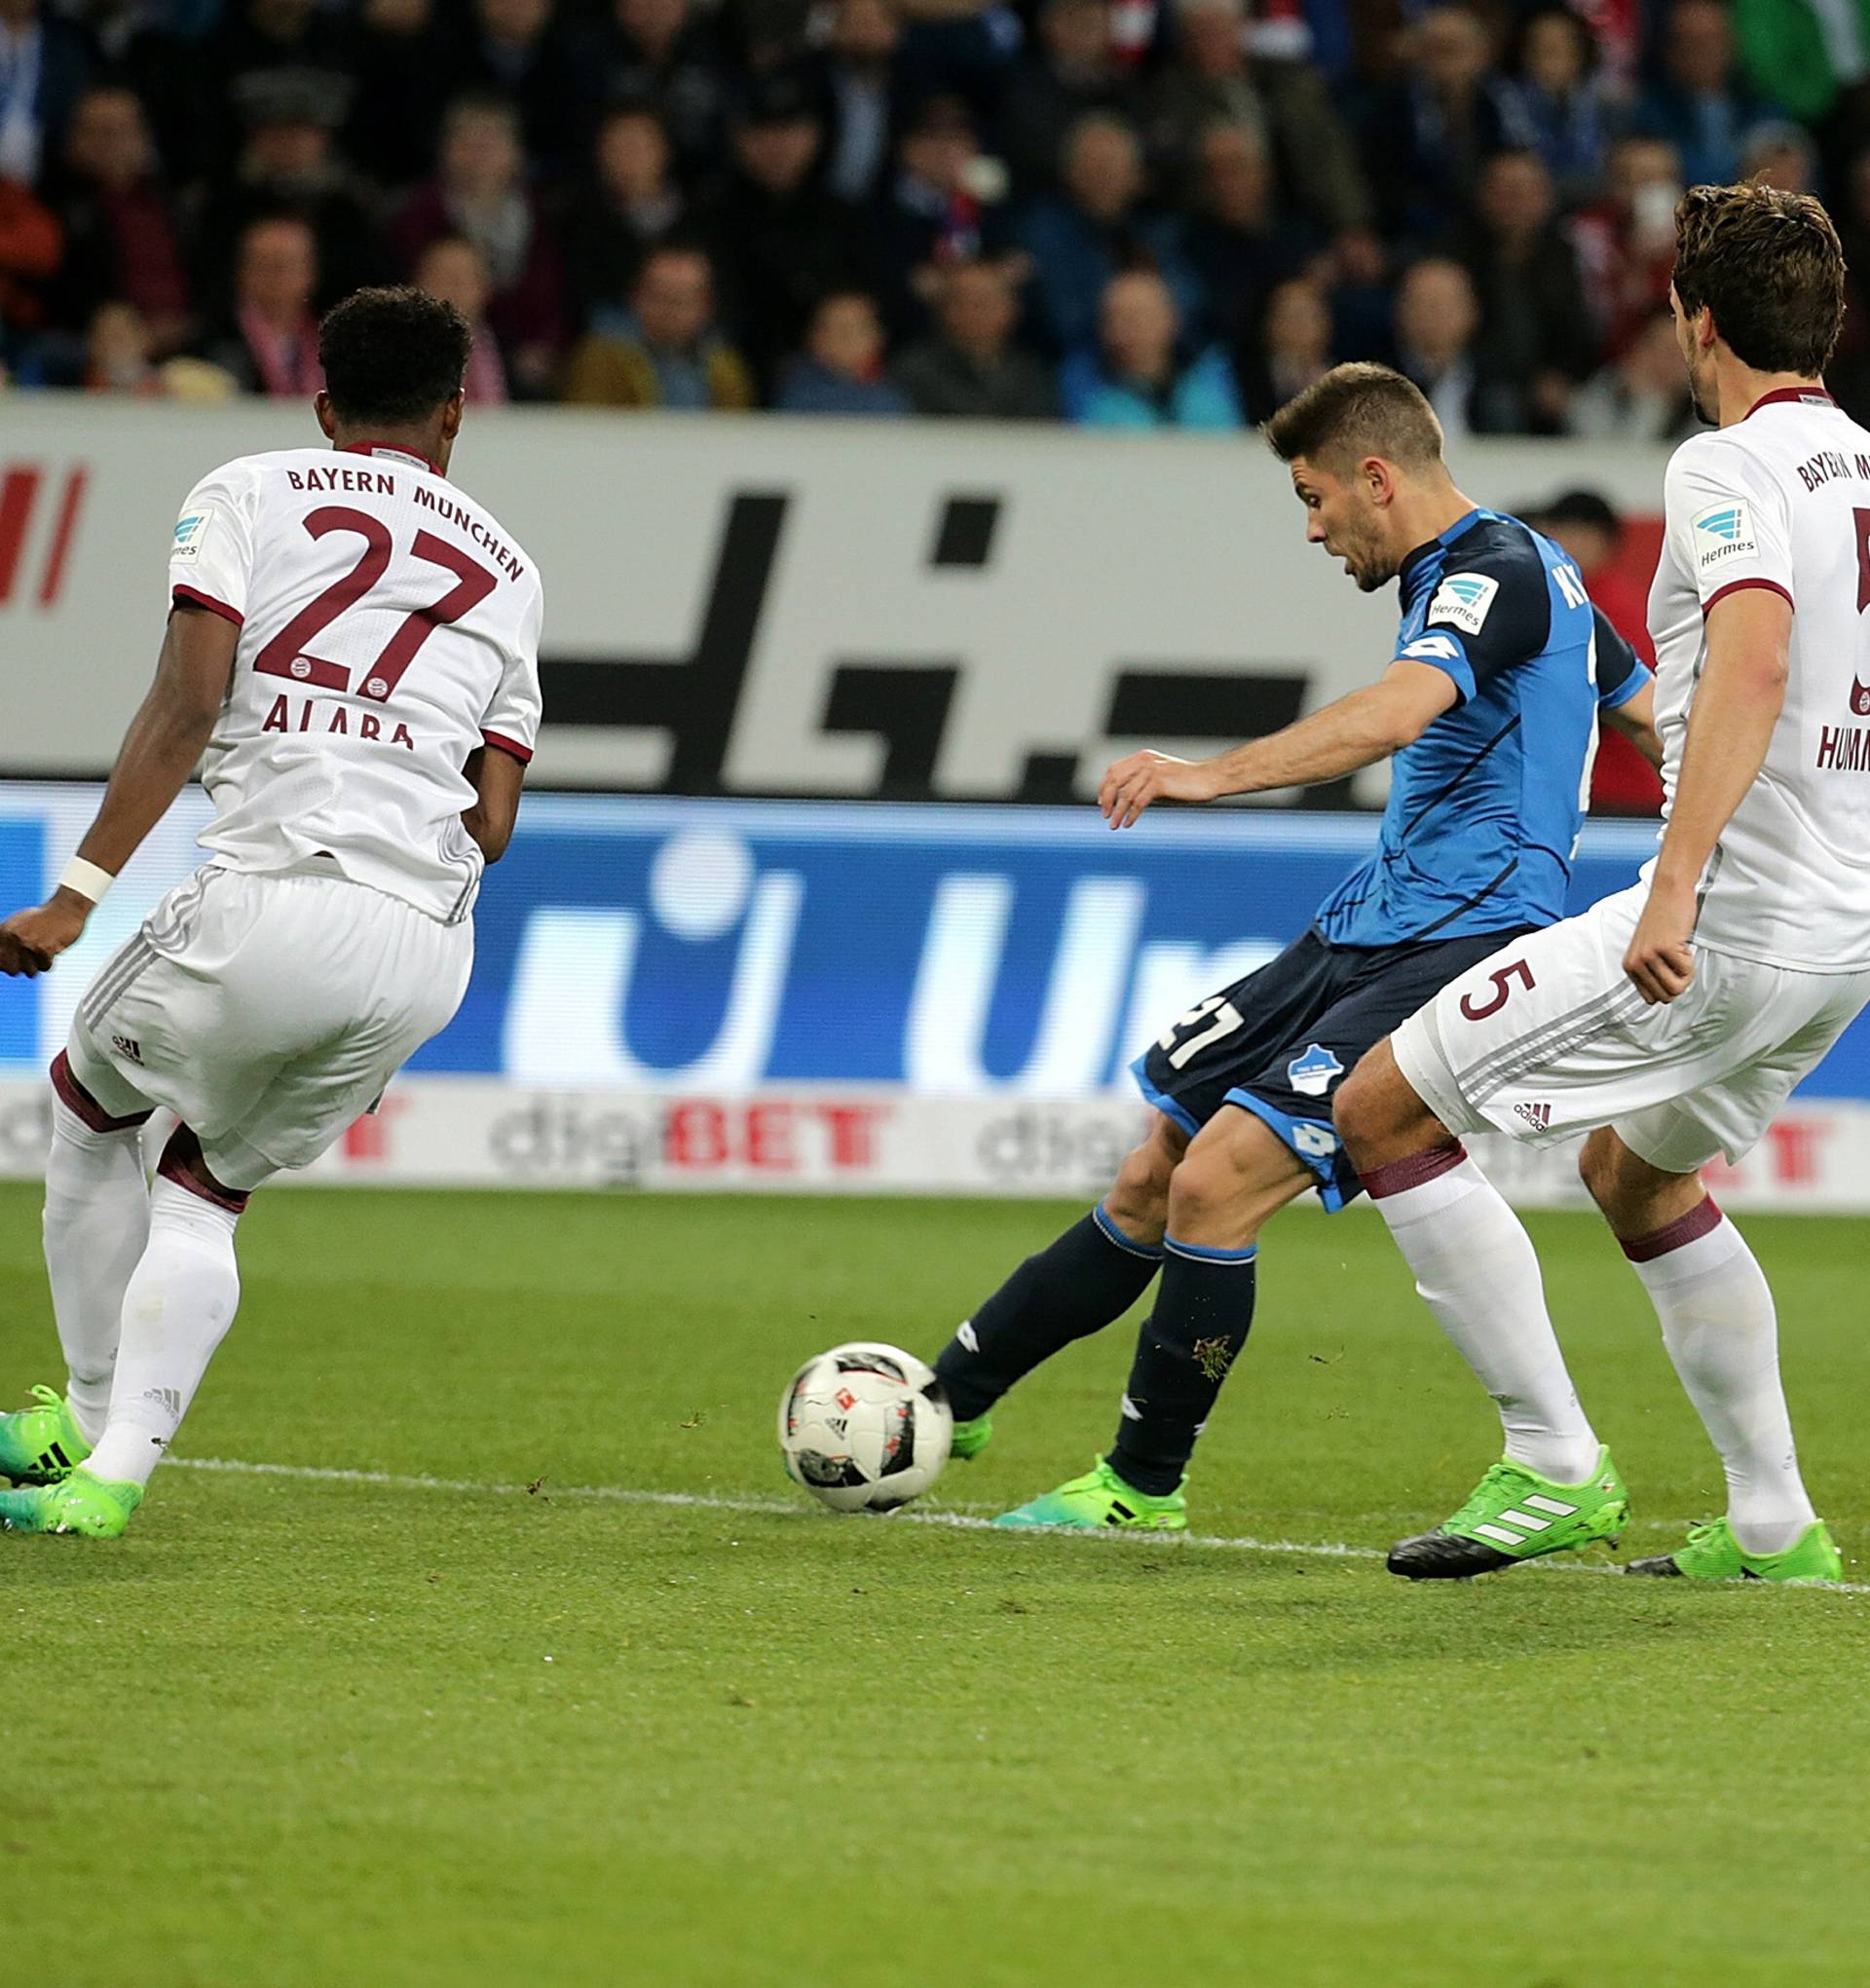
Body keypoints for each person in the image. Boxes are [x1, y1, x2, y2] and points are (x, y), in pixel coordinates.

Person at [929, 361, 1658, 1531]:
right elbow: (1642, 707)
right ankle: (950, 1396)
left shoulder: (1494, 570)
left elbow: (1396, 711)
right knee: (1158, 1167)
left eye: (1316, 498)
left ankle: (1139, 1489)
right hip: (1369, 920)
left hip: (1459, 939)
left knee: (1219, 1182)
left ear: (1378, 476)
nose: (1313, 529)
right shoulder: (1528, 576)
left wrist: (1202, 773)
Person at [1335, 184, 1870, 1588]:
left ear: (1699, 326)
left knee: (1377, 1107)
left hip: (1733, 921)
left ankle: (1554, 1461)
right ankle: (1773, 1527)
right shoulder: (1866, 466)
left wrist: (1676, 887)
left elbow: (1754, 657)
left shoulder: (1722, 467)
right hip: (1841, 940)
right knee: (1637, 1174)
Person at [0, 284, 542, 1539]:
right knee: (204, 1187)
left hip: (269, 898)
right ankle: (114, 1479)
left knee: (92, 1107)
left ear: (322, 402)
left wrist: (78, 894)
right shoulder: (511, 567)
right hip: (424, 948)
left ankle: (83, 1417)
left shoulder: (250, 488)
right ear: (456, 415)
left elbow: (190, 704)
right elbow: (494, 823)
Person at [560, 240, 755, 408]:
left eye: (681, 300)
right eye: (658, 297)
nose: (669, 311)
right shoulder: (601, 360)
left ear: (707, 306)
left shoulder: (725, 367)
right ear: (635, 296)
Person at [1061, 266, 1240, 428]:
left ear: (1172, 319)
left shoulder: (1215, 379)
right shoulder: (1083, 394)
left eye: (1139, 317)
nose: (1126, 330)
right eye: (1114, 318)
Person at [892, 255, 1058, 419]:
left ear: (1012, 309)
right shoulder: (914, 371)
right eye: (961, 301)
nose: (974, 313)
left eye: (984, 301)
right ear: (942, 310)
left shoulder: (1031, 373)